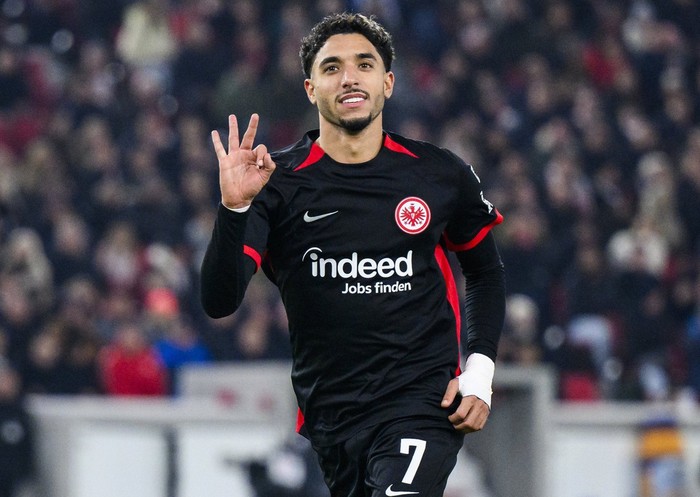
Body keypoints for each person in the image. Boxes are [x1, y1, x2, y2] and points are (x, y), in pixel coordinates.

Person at [200, 12, 505, 497]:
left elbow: (485, 271)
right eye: (332, 67)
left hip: (422, 402)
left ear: (387, 83)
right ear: (310, 88)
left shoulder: (438, 175)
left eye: (364, 64)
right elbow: (219, 300)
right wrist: (234, 207)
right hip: (332, 419)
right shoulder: (274, 183)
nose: (349, 77)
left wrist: (480, 373)